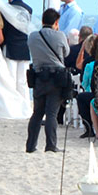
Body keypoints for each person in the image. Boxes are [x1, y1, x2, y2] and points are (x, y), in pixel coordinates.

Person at [25, 9, 69, 153]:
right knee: (51, 114)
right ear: (56, 22)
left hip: (38, 77)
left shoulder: (32, 36)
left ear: (43, 20)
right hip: (56, 78)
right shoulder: (60, 35)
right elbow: (66, 53)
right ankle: (50, 145)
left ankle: (31, 146)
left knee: (37, 113)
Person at [1, 0, 33, 101]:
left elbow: (3, 28)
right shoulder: (28, 8)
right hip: (24, 46)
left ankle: (13, 103)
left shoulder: (6, 8)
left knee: (11, 78)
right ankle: (24, 103)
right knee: (22, 80)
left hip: (10, 46)